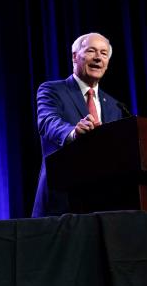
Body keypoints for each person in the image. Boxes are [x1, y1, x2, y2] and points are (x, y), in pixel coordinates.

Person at [31, 32, 126, 218]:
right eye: (91, 51)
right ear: (75, 56)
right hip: (61, 201)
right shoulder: (52, 90)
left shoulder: (115, 106)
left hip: (104, 205)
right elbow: (47, 122)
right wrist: (73, 132)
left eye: (104, 53)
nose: (98, 57)